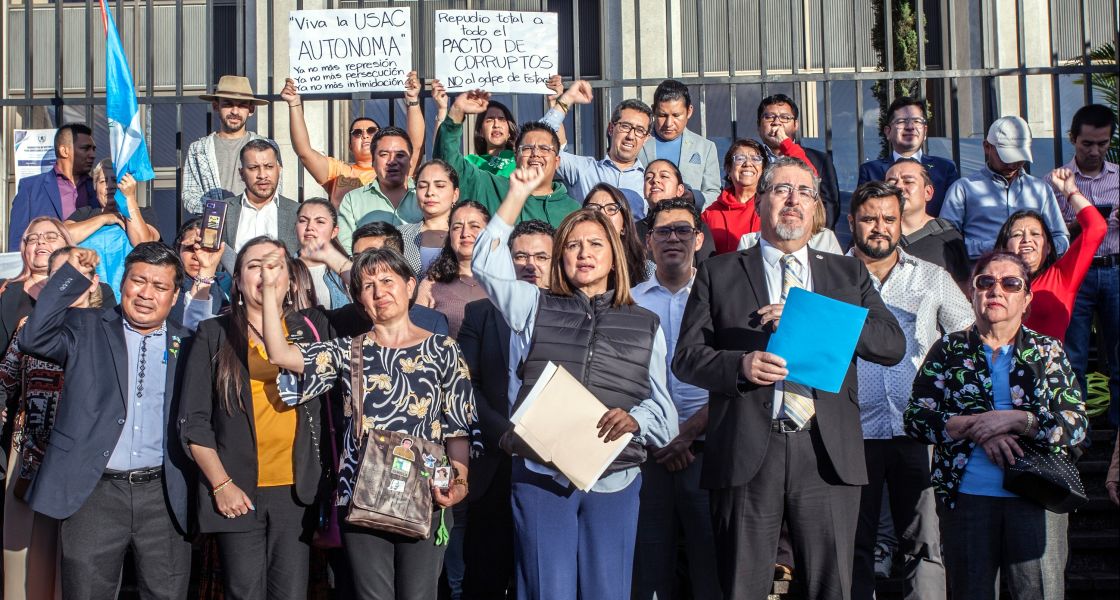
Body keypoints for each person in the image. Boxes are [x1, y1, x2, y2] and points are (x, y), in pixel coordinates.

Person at [672, 156, 905, 599]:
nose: (793, 200)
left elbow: (891, 344)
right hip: (745, 452)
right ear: (760, 201)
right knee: (742, 586)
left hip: (825, 451)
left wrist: (813, 321)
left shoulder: (847, 272)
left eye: (804, 192)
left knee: (830, 588)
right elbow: (686, 358)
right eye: (781, 189)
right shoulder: (719, 272)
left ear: (817, 206)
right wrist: (738, 367)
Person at [472, 165, 678, 600]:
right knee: (548, 591)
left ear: (614, 253)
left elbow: (665, 415)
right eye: (573, 245)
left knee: (609, 592)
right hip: (540, 475)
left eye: (595, 244)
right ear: (561, 256)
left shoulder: (645, 323)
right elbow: (485, 266)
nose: (584, 253)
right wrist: (517, 194)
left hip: (615, 481)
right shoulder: (533, 305)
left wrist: (635, 419)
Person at [262, 247, 478, 600]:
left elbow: (457, 427)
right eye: (368, 285)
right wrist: (271, 293)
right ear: (360, 299)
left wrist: (461, 481)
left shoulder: (444, 350)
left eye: (387, 280)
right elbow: (281, 355)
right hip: (361, 493)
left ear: (410, 286)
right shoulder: (347, 350)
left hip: (427, 494)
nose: (379, 291)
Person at [904, 251, 1088, 600]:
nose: (996, 291)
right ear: (971, 294)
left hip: (1037, 496)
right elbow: (916, 418)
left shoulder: (1047, 351)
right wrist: (976, 426)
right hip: (968, 498)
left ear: (1027, 297)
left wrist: (1018, 420)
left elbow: (1075, 423)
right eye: (985, 282)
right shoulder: (947, 350)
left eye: (1010, 283)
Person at [19, 243, 194, 600]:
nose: (146, 294)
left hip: (163, 495)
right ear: (123, 281)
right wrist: (72, 275)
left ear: (175, 296)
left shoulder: (188, 342)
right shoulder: (85, 326)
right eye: (138, 281)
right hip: (94, 493)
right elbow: (33, 337)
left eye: (160, 287)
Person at [845, 181, 972, 600]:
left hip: (917, 431)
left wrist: (945, 400)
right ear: (851, 222)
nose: (878, 228)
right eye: (868, 219)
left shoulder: (932, 277)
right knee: (854, 544)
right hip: (852, 431)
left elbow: (967, 340)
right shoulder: (829, 278)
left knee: (925, 542)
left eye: (888, 219)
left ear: (901, 224)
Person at [180, 238, 328, 599]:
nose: (264, 273)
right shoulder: (213, 334)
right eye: (253, 265)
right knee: (243, 591)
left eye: (274, 264)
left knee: (291, 593)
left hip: (295, 490)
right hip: (238, 489)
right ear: (238, 280)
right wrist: (221, 484)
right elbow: (194, 421)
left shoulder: (313, 329)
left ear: (291, 279)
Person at [458, 219, 555, 600]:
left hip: (552, 463)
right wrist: (504, 434)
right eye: (520, 256)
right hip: (495, 462)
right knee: (485, 576)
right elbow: (467, 385)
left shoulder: (573, 310)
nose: (530, 264)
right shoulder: (481, 312)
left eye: (541, 256)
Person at [631, 198, 721, 599]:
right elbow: (621, 379)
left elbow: (730, 378)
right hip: (647, 455)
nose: (673, 238)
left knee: (711, 568)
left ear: (698, 239)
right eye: (663, 231)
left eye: (682, 230)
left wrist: (685, 433)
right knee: (649, 572)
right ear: (648, 242)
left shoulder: (720, 299)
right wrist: (663, 437)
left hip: (707, 450)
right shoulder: (629, 302)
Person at [2, 246, 102, 600]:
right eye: (60, 278)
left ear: (93, 283)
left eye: (77, 276)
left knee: (79, 563)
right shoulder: (28, 328)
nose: (70, 284)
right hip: (29, 452)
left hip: (90, 460)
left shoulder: (111, 329)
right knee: (22, 561)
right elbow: (4, 383)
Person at [1047, 104, 1119, 426]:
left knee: (1118, 354)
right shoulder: (1056, 181)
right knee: (1072, 353)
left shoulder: (1119, 178)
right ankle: (1076, 430)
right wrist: (1080, 224)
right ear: (1073, 139)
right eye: (1087, 143)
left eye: (1102, 144)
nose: (1094, 151)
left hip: (1114, 267)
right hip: (1075, 273)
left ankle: (1117, 430)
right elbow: (1048, 234)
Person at [435, 90, 580, 228]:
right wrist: (456, 112)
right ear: (516, 156)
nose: (536, 153)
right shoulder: (492, 188)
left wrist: (560, 102)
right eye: (527, 148)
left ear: (557, 161)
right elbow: (448, 168)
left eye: (544, 148)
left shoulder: (573, 211)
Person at [280, 72, 428, 206]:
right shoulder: (339, 172)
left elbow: (415, 146)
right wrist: (294, 104)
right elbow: (305, 153)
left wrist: (413, 100)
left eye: (371, 131)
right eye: (357, 133)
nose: (364, 135)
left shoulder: (396, 167)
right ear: (350, 146)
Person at [994, 168, 1106, 341]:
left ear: (1048, 247)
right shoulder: (990, 280)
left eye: (1035, 234)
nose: (1026, 240)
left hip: (1047, 366)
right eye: (1017, 235)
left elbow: (1096, 228)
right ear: (1004, 247)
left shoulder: (1061, 276)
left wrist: (1070, 191)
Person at [940, 116, 1070, 259]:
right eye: (1005, 157)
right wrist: (997, 247)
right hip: (984, 274)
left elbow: (1061, 238)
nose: (1012, 165)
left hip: (1034, 277)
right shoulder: (963, 189)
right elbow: (947, 242)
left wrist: (1038, 249)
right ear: (987, 147)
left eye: (1018, 158)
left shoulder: (1040, 190)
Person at [309, 222, 449, 339]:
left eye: (373, 255)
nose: (364, 264)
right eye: (357, 258)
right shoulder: (347, 319)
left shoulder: (431, 322)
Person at [536, 81, 652, 217]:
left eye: (639, 130)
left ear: (646, 138)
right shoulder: (582, 169)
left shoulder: (650, 182)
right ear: (611, 128)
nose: (631, 136)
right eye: (625, 126)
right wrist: (567, 100)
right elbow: (537, 142)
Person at [67, 165, 161, 301]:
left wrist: (129, 198)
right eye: (103, 181)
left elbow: (144, 244)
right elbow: (63, 236)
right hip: (89, 296)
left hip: (131, 294)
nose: (110, 186)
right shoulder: (84, 214)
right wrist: (105, 218)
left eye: (116, 180)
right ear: (95, 187)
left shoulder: (144, 213)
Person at [182, 76, 274, 214]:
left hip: (257, 222)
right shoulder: (199, 149)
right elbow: (189, 195)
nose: (235, 112)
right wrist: (218, 210)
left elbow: (274, 190)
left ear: (251, 109)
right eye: (228, 104)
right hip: (214, 226)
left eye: (242, 105)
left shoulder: (267, 147)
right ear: (215, 106)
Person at [857, 97, 960, 216]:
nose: (910, 127)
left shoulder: (945, 168)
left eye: (917, 121)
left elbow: (953, 215)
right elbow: (865, 214)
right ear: (887, 132)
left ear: (925, 131)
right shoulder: (870, 171)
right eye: (901, 121)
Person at [8, 123, 99, 251]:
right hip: (45, 267)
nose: (92, 154)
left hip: (87, 265)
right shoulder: (30, 188)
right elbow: (17, 240)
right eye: (86, 148)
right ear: (64, 151)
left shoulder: (98, 188)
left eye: (93, 149)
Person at [756, 95, 841, 227]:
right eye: (769, 117)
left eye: (785, 117)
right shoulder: (750, 162)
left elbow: (829, 207)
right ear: (759, 125)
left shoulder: (820, 160)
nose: (777, 122)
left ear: (796, 125)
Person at [219, 139, 301, 273]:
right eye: (253, 168)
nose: (262, 175)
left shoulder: (297, 212)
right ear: (241, 173)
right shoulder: (223, 210)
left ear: (279, 169)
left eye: (269, 166)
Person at [636, 79, 722, 208]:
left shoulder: (705, 147)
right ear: (653, 111)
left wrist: (693, 197)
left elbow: (714, 193)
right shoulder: (639, 142)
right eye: (662, 115)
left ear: (689, 111)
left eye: (676, 115)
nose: (669, 123)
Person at [885, 159, 971, 285]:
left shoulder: (949, 238)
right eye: (891, 183)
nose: (898, 187)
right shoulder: (870, 234)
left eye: (908, 181)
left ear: (928, 192)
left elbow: (964, 290)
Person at [337, 127, 424, 251]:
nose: (392, 161)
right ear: (373, 161)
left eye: (400, 155)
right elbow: (346, 250)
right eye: (384, 154)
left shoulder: (424, 196)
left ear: (410, 161)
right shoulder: (352, 200)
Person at [415, 201, 491, 338]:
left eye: (474, 226)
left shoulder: (505, 283)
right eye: (457, 227)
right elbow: (415, 337)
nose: (465, 233)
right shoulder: (431, 285)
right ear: (449, 235)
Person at [637, 160, 718, 261]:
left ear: (680, 190)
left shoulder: (696, 226)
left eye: (664, 176)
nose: (655, 180)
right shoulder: (634, 231)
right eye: (648, 177)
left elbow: (706, 268)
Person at [702, 139, 768, 254]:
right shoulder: (710, 214)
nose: (748, 164)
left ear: (763, 169)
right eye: (740, 158)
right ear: (728, 169)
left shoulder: (771, 207)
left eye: (755, 159)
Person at [399, 160, 461, 277]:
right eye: (422, 186)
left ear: (455, 194)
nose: (430, 192)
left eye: (440, 186)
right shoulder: (400, 235)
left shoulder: (470, 234)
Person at [583, 183, 650, 285]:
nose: (602, 214)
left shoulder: (644, 268)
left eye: (611, 209)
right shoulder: (574, 259)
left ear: (624, 226)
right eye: (593, 208)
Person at [169, 218, 230, 331]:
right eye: (190, 248)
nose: (197, 256)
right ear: (178, 249)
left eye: (206, 249)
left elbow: (248, 269)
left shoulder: (225, 282)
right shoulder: (169, 285)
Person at [295, 198, 351, 309]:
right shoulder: (284, 268)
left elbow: (366, 286)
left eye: (320, 221)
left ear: (334, 231)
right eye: (303, 221)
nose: (310, 227)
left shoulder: (347, 268)